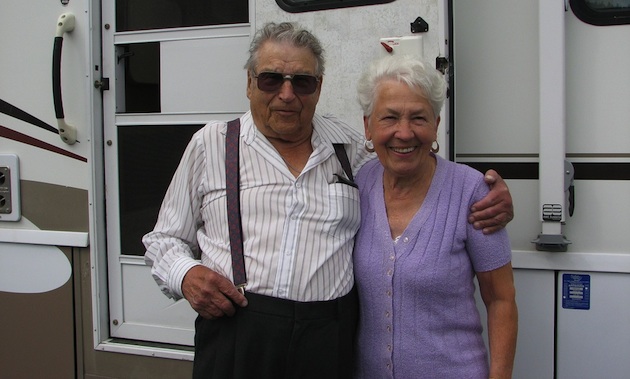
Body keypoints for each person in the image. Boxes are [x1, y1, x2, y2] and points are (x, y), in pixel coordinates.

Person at [143, 22, 514, 379]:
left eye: (302, 82)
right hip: (238, 334)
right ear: (249, 83)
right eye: (272, 78)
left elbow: (409, 166)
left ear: (318, 87)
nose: (287, 94)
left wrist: (492, 192)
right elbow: (164, 239)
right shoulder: (211, 145)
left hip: (327, 343)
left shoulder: (350, 149)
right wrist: (185, 273)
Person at [352, 55, 518, 379]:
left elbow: (501, 300)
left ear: (436, 125)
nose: (404, 133)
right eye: (389, 118)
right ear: (368, 125)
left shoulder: (474, 192)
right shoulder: (356, 185)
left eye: (419, 118)